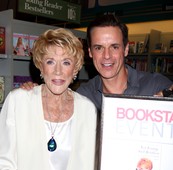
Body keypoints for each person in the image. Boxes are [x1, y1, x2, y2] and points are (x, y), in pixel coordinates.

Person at [0, 28, 97, 170]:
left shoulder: (87, 110)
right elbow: (2, 165)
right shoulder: (18, 102)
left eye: (66, 62)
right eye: (51, 61)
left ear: (76, 68)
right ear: (40, 66)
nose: (58, 72)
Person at [21, 14, 173, 110]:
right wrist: (34, 91)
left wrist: (166, 98)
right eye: (99, 47)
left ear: (126, 49)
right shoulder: (84, 96)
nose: (107, 56)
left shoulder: (155, 85)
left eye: (114, 47)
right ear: (90, 52)